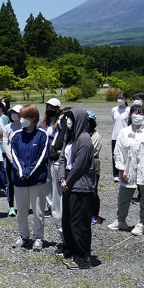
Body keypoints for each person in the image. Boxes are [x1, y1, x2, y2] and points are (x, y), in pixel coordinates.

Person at [61, 108, 101, 268]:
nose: (68, 121)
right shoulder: (70, 136)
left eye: (71, 118)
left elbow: (79, 165)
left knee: (79, 223)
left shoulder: (84, 139)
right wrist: (62, 178)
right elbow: (62, 158)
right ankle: (72, 251)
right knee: (68, 221)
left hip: (80, 187)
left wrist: (68, 182)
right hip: (69, 185)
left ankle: (83, 257)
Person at [8, 105, 52, 250]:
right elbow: (14, 155)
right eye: (20, 117)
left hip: (37, 179)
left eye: (24, 117)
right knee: (21, 210)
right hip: (19, 179)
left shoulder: (42, 135)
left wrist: (29, 172)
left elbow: (42, 157)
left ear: (33, 118)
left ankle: (38, 237)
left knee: (38, 211)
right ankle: (23, 235)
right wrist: (21, 172)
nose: (21, 120)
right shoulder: (16, 135)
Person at [111, 104, 144, 235]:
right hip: (128, 171)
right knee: (123, 198)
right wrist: (121, 169)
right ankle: (121, 220)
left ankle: (142, 223)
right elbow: (118, 152)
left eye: (141, 113)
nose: (138, 116)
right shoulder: (124, 132)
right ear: (130, 115)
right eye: (135, 113)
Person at [111, 94, 130, 184]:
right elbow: (114, 120)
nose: (120, 100)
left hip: (126, 136)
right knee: (115, 155)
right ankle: (116, 175)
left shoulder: (128, 110)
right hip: (115, 135)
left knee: (126, 154)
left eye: (122, 98)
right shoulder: (114, 110)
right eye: (119, 98)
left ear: (125, 99)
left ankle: (126, 172)